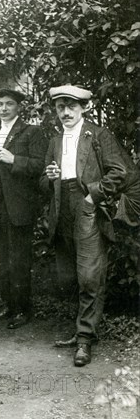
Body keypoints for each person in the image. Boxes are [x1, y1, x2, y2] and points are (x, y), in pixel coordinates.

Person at [41, 84, 133, 366]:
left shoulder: (98, 135)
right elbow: (43, 185)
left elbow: (121, 171)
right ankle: (82, 329)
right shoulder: (55, 141)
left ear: (83, 108)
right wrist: (49, 175)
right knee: (68, 275)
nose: (66, 112)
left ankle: (84, 340)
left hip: (87, 205)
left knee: (90, 274)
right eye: (60, 107)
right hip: (61, 206)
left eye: (71, 106)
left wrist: (94, 196)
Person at [0, 87, 47, 329]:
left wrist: (14, 160)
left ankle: (23, 310)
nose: (4, 108)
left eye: (9, 104)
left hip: (19, 206)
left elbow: (40, 165)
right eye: (0, 104)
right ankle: (8, 304)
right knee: (0, 258)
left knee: (19, 259)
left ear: (18, 107)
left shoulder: (31, 132)